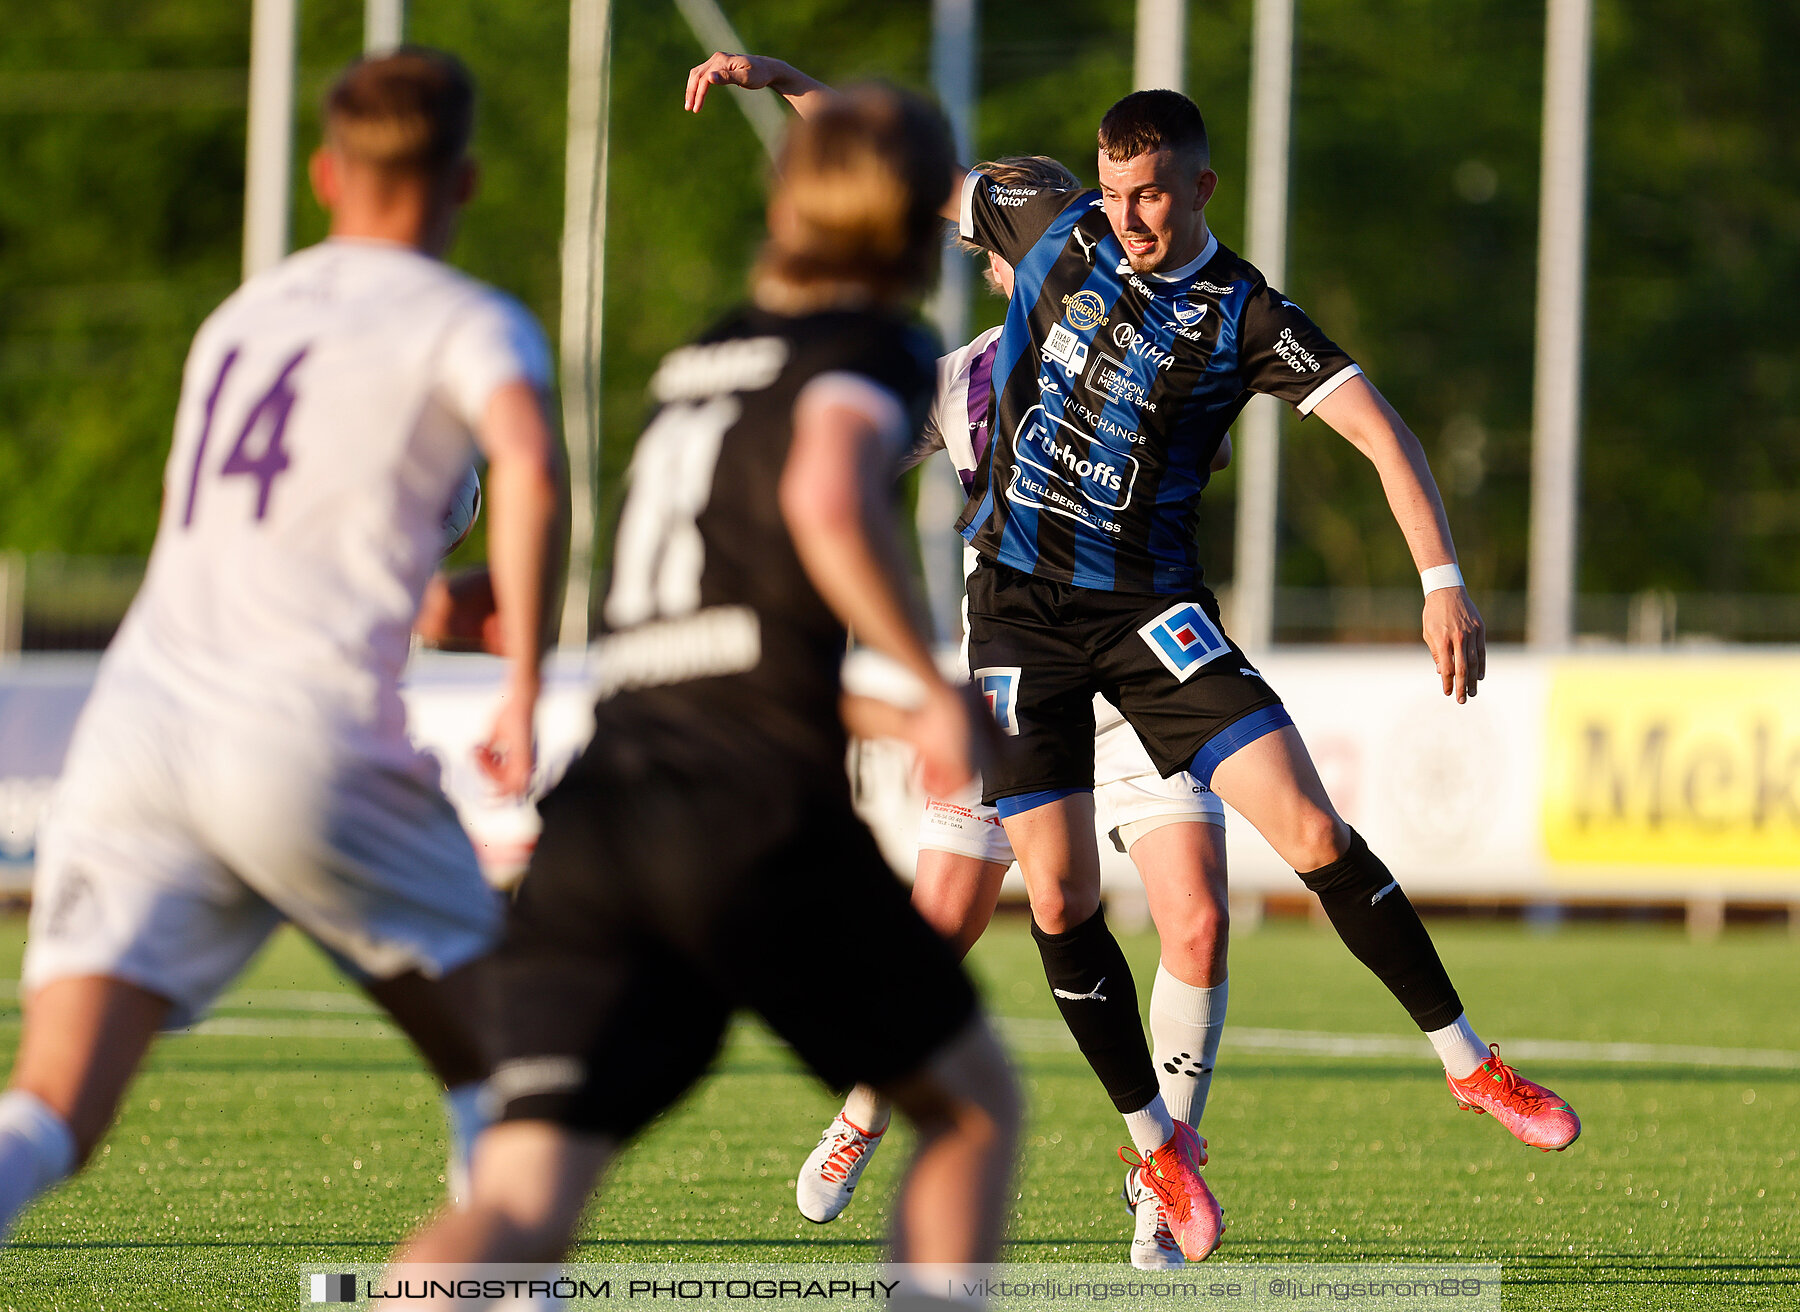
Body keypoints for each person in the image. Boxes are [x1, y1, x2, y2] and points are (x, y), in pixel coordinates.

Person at [689, 49, 1582, 1253]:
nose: (1128, 219)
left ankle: (1470, 1065)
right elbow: (898, 168)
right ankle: (1157, 1152)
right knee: (1052, 894)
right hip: (1015, 617)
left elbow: (1382, 432)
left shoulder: (1247, 315)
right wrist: (782, 78)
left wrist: (1441, 581)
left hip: (1152, 615)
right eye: (1113, 195)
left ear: (1203, 186)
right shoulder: (1050, 232)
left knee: (1308, 832)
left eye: (1153, 195)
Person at [389, 86, 1020, 1296]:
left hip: (599, 813)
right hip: (743, 821)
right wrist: (931, 688)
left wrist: (877, 710)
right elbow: (830, 489)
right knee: (974, 1110)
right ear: (907, 230)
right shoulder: (867, 347)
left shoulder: (697, 365)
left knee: (522, 1199)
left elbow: (700, 643)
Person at [0, 47, 561, 1244]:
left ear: (323, 175)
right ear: (462, 183)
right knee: (519, 1079)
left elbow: (249, 554)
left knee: (46, 1110)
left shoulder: (241, 320)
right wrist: (520, 684)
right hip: (300, 737)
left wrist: (427, 607)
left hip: (141, 726)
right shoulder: (469, 320)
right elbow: (528, 461)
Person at [797, 158, 1232, 1273]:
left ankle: (1162, 1175)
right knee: (941, 916)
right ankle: (864, 1108)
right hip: (1015, 681)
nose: (1002, 258)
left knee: (1197, 922)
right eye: (999, 245)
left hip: (1139, 669)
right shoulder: (961, 379)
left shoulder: (1155, 346)